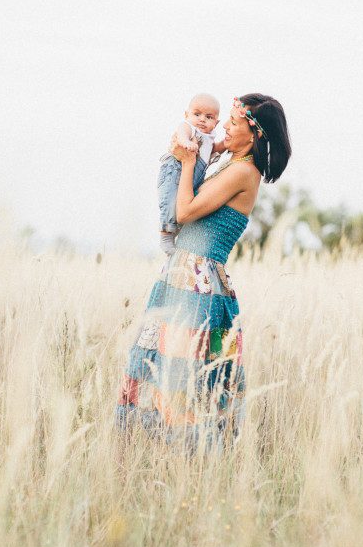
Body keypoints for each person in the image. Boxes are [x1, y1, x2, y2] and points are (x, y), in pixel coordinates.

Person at [116, 94, 292, 452]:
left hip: (197, 285)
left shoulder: (244, 171)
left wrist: (187, 161)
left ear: (254, 135)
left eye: (233, 122)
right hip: (183, 276)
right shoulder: (232, 163)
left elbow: (183, 211)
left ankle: (191, 462)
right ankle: (162, 458)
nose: (225, 126)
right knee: (164, 367)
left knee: (183, 377)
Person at [158, 94, 225, 256]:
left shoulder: (209, 136)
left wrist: (227, 144)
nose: (202, 119)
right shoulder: (189, 127)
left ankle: (176, 233)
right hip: (176, 169)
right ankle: (166, 234)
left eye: (209, 117)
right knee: (171, 200)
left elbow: (215, 148)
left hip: (194, 173)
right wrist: (185, 141)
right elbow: (182, 131)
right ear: (186, 115)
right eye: (197, 114)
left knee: (185, 202)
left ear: (216, 123)